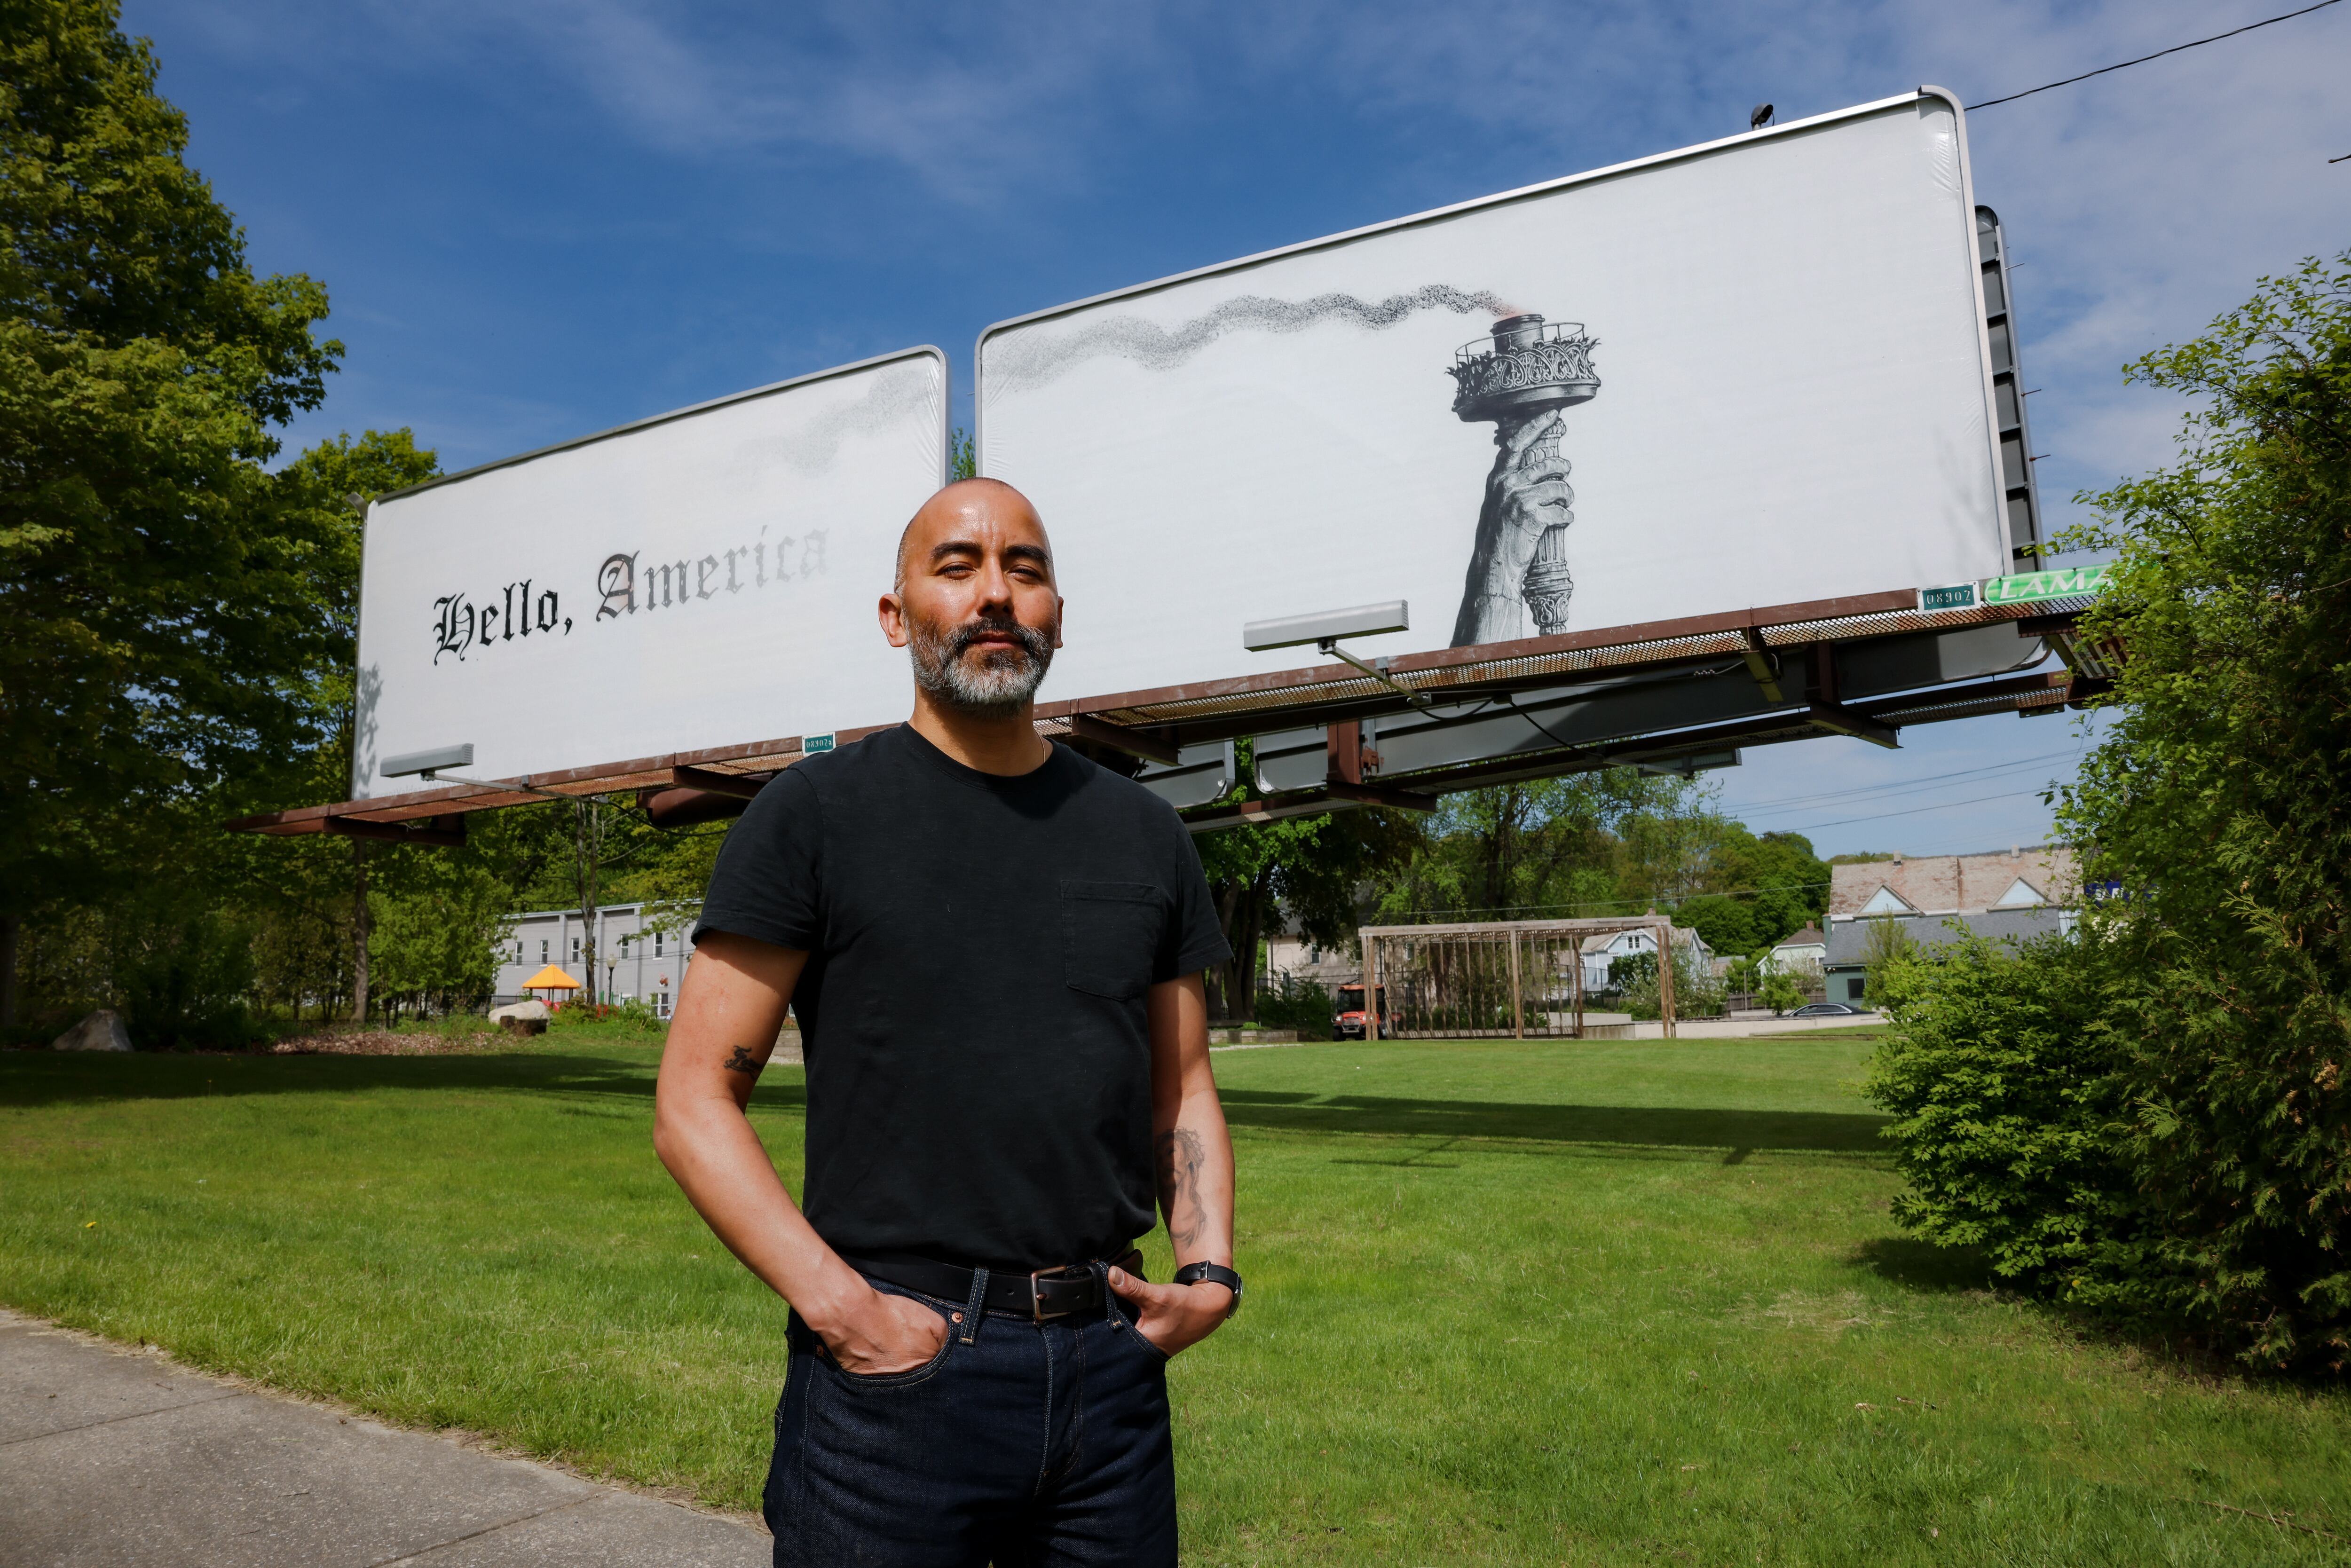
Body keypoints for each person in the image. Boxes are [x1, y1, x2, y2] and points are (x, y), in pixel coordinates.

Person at [654, 477, 1241, 1567]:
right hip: (894, 1383)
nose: (996, 594)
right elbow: (694, 1099)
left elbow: (1182, 1084)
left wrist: (1208, 1272)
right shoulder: (812, 816)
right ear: (896, 616)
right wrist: (845, 1313)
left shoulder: (1143, 834)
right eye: (957, 566)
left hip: (1109, 1375)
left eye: (1025, 568)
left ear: (1057, 613)